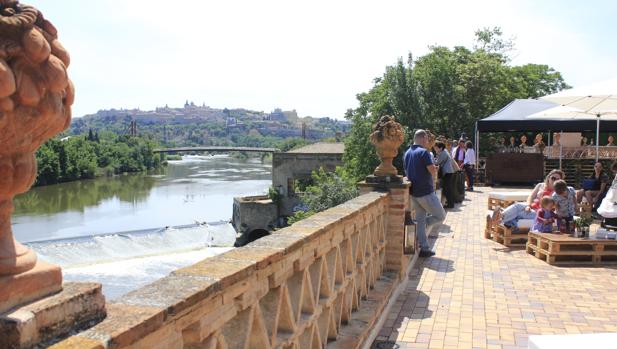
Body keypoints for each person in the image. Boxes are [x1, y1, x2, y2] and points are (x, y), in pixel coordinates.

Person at [404, 129, 446, 258]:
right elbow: (432, 170)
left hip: (414, 193)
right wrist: (435, 170)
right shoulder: (424, 152)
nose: (428, 142)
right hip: (425, 192)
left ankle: (424, 248)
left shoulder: (407, 153)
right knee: (440, 216)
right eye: (427, 139)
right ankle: (420, 226)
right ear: (423, 138)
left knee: (421, 220)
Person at [489, 169, 565, 230]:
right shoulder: (540, 185)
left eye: (557, 179)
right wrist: (528, 206)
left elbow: (550, 207)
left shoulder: (557, 192)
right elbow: (531, 197)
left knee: (518, 211)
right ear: (549, 178)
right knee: (518, 206)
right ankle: (499, 219)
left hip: (540, 213)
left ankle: (499, 218)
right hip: (531, 208)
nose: (555, 180)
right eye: (553, 178)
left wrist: (542, 197)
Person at [433, 141, 458, 208]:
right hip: (449, 172)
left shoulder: (442, 153)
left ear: (440, 148)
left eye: (436, 148)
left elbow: (437, 162)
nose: (435, 149)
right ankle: (450, 203)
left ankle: (450, 204)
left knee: (447, 188)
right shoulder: (445, 151)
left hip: (447, 172)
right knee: (448, 188)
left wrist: (432, 158)